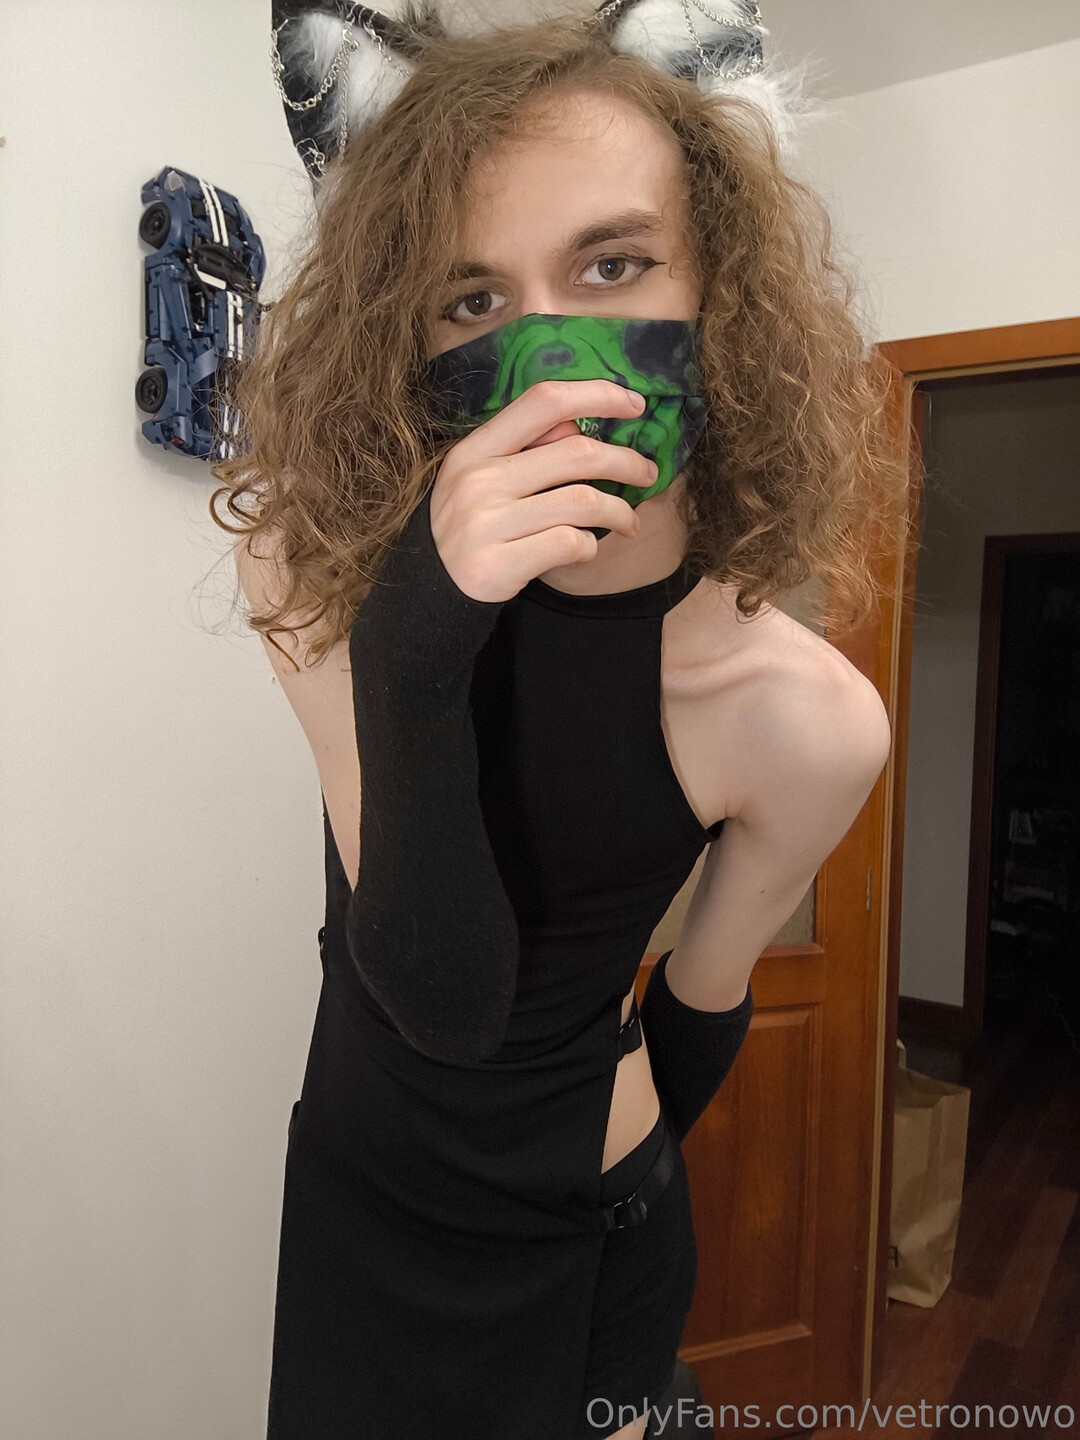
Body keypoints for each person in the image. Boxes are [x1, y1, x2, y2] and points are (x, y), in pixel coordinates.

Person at [211, 3, 905, 1435]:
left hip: (586, 1240)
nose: (553, 350)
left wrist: (612, 1192)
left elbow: (701, 1004)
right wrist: (413, 636)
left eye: (613, 264)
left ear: (719, 294)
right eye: (473, 299)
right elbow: (436, 996)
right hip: (360, 1196)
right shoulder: (315, 574)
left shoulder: (806, 719)